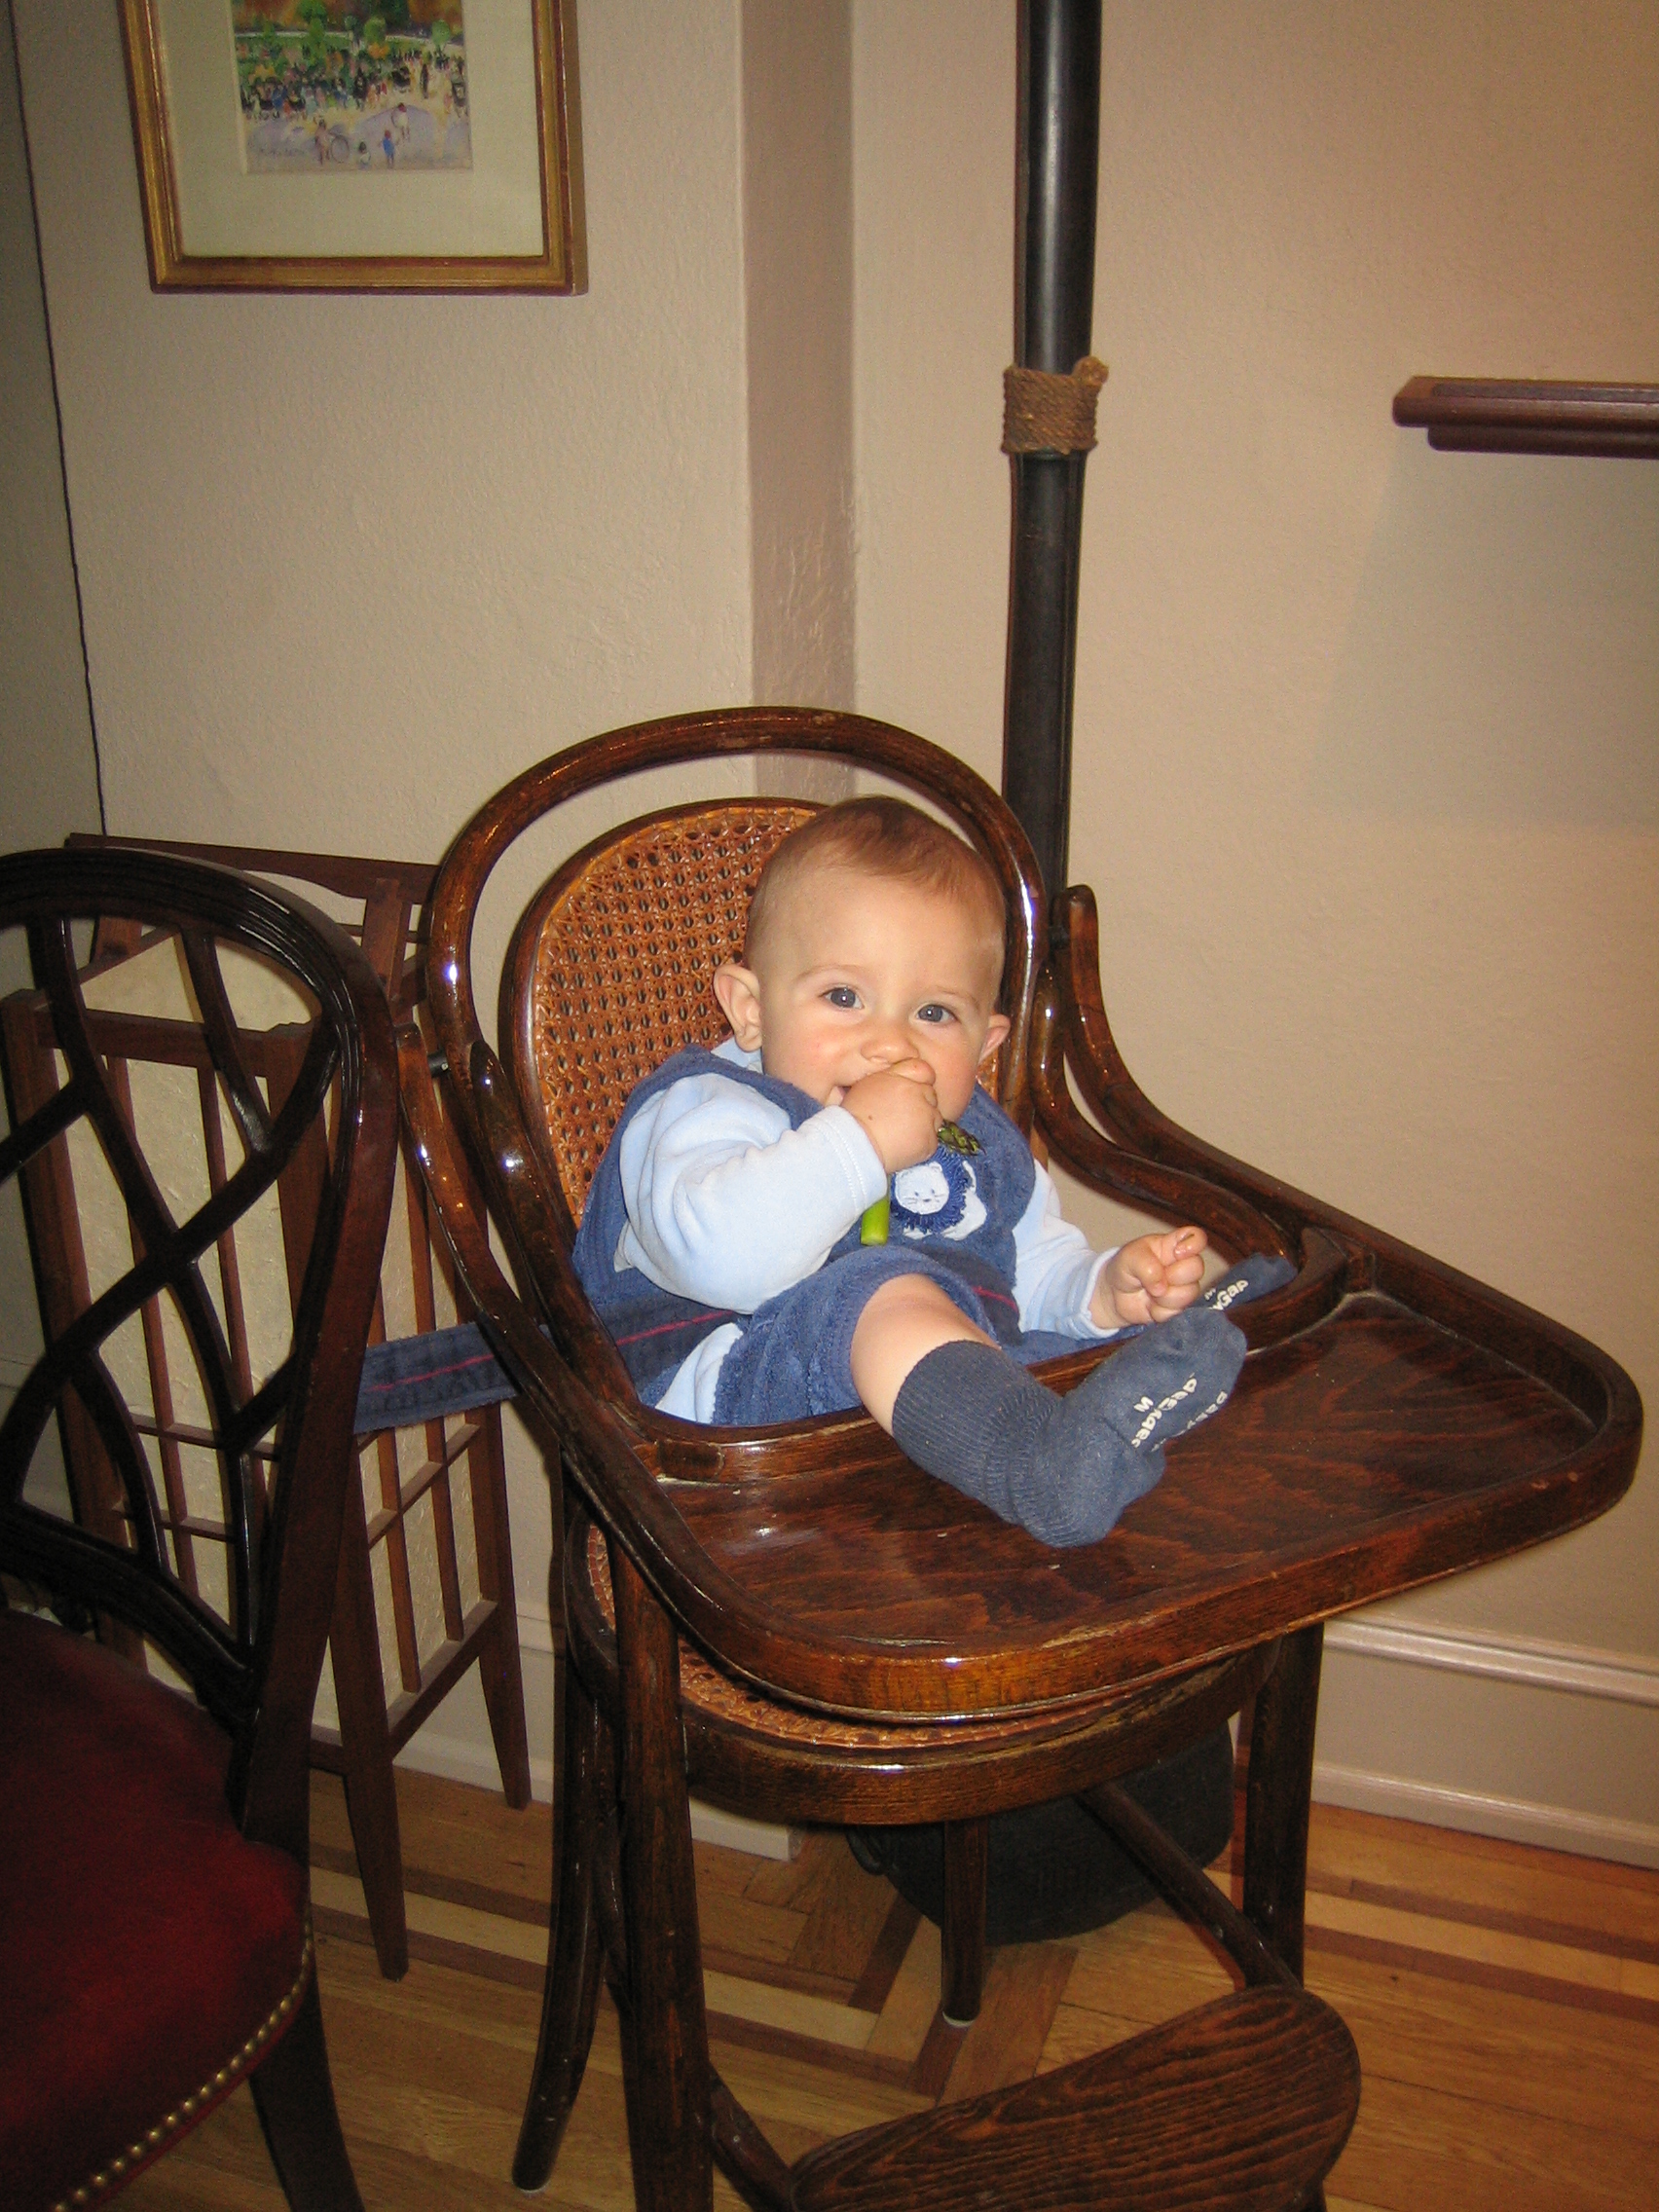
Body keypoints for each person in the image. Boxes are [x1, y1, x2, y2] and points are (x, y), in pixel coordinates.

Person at [573, 797, 1288, 1546]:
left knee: (1045, 1356)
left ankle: (1185, 1361)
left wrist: (1103, 1291)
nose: (890, 1044)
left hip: (935, 1433)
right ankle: (1044, 1469)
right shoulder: (707, 1109)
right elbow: (723, 1259)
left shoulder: (978, 1140)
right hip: (744, 1427)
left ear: (985, 1046)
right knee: (875, 1289)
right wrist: (859, 1144)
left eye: (935, 1014)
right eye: (843, 997)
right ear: (750, 1010)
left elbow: (1021, 1272)